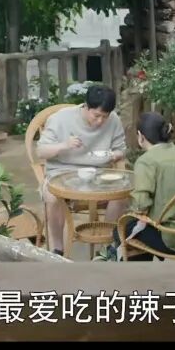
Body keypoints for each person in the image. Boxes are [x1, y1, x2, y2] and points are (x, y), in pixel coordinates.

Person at [36, 85, 128, 255]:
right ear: (86, 106)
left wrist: (114, 154)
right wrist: (64, 145)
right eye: (96, 115)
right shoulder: (61, 118)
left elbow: (121, 149)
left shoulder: (113, 120)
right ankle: (57, 249)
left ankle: (106, 247)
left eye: (105, 117)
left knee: (121, 195)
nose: (100, 121)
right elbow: (41, 151)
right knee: (52, 196)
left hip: (98, 172)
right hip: (62, 171)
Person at [106, 111, 175, 261]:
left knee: (122, 230)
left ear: (140, 136)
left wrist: (128, 201)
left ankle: (138, 273)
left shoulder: (146, 161)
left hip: (171, 237)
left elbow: (140, 206)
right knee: (140, 227)